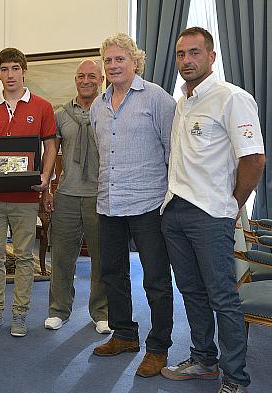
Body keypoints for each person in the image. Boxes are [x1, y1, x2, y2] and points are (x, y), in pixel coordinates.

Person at [160, 27, 265, 393]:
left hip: (211, 214)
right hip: (174, 210)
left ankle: (235, 379)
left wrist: (231, 204)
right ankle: (204, 359)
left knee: (223, 297)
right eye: (180, 54)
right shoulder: (182, 102)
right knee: (191, 291)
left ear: (211, 57)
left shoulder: (231, 98)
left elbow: (254, 159)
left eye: (194, 53)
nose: (186, 60)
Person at [89, 33, 175, 378]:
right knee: (113, 274)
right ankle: (124, 334)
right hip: (109, 202)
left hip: (148, 203)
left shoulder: (156, 98)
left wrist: (172, 199)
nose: (113, 66)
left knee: (155, 279)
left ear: (135, 62)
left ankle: (159, 347)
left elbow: (173, 152)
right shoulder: (98, 105)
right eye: (108, 61)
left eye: (119, 59)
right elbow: (102, 154)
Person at [0, 47, 57, 337]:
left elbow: (50, 146)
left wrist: (45, 178)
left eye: (15, 69)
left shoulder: (42, 107)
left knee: (23, 257)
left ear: (24, 71)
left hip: (25, 196)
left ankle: (20, 314)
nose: (10, 75)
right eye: (4, 70)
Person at [42, 60, 110, 334]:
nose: (85, 80)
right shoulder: (60, 115)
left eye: (91, 76)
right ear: (75, 80)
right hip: (67, 195)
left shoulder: (108, 110)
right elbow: (50, 155)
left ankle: (102, 313)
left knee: (101, 258)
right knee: (61, 258)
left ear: (101, 79)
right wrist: (46, 189)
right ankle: (59, 310)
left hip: (100, 195)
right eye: (81, 76)